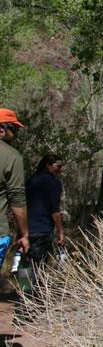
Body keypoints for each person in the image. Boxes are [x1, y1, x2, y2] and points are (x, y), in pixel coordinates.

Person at [0, 108, 29, 265]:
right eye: (14, 128)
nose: (16, 133)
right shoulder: (11, 156)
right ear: (2, 129)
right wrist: (24, 233)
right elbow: (17, 198)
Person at [26, 153, 66, 267]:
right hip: (42, 231)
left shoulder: (31, 180)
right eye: (58, 166)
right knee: (38, 268)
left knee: (26, 268)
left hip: (26, 230)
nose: (60, 170)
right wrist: (60, 231)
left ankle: (25, 285)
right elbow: (54, 209)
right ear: (48, 165)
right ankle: (35, 285)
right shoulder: (54, 183)